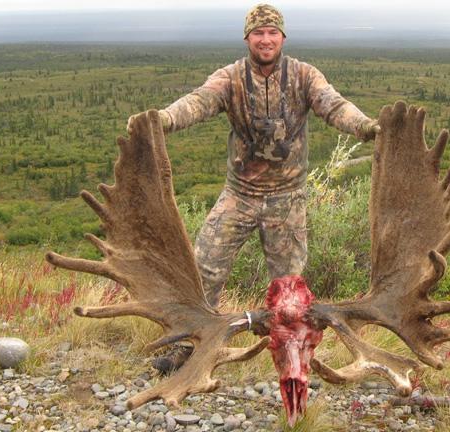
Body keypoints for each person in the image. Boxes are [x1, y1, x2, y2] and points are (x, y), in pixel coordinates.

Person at [129, 3, 378, 316]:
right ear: (247, 38)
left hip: (287, 199)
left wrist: (367, 127)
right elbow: (198, 101)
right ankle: (188, 343)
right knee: (204, 269)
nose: (266, 39)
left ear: (283, 37)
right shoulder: (231, 78)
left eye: (272, 32)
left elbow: (335, 106)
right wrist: (163, 119)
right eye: (258, 33)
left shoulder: (303, 75)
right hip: (240, 195)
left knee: (289, 287)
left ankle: (290, 356)